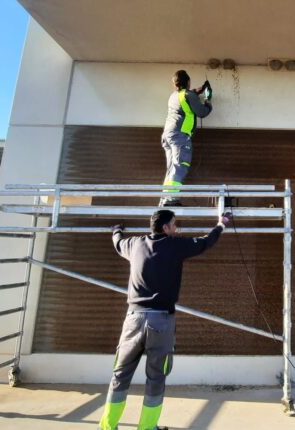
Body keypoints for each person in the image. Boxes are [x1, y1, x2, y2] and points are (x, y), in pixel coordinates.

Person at [99, 209, 230, 430]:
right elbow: (206, 242)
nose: (176, 228)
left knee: (120, 375)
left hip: (133, 319)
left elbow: (118, 242)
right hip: (160, 322)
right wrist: (221, 224)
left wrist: (116, 230)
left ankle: (107, 427)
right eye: (174, 224)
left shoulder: (135, 244)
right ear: (166, 228)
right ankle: (147, 427)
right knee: (156, 377)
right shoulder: (175, 246)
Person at [159, 70, 213, 206]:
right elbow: (202, 112)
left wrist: (198, 90)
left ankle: (166, 198)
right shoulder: (188, 95)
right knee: (180, 166)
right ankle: (171, 199)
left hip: (168, 135)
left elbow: (188, 96)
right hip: (180, 136)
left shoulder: (174, 96)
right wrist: (208, 101)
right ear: (188, 82)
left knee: (172, 167)